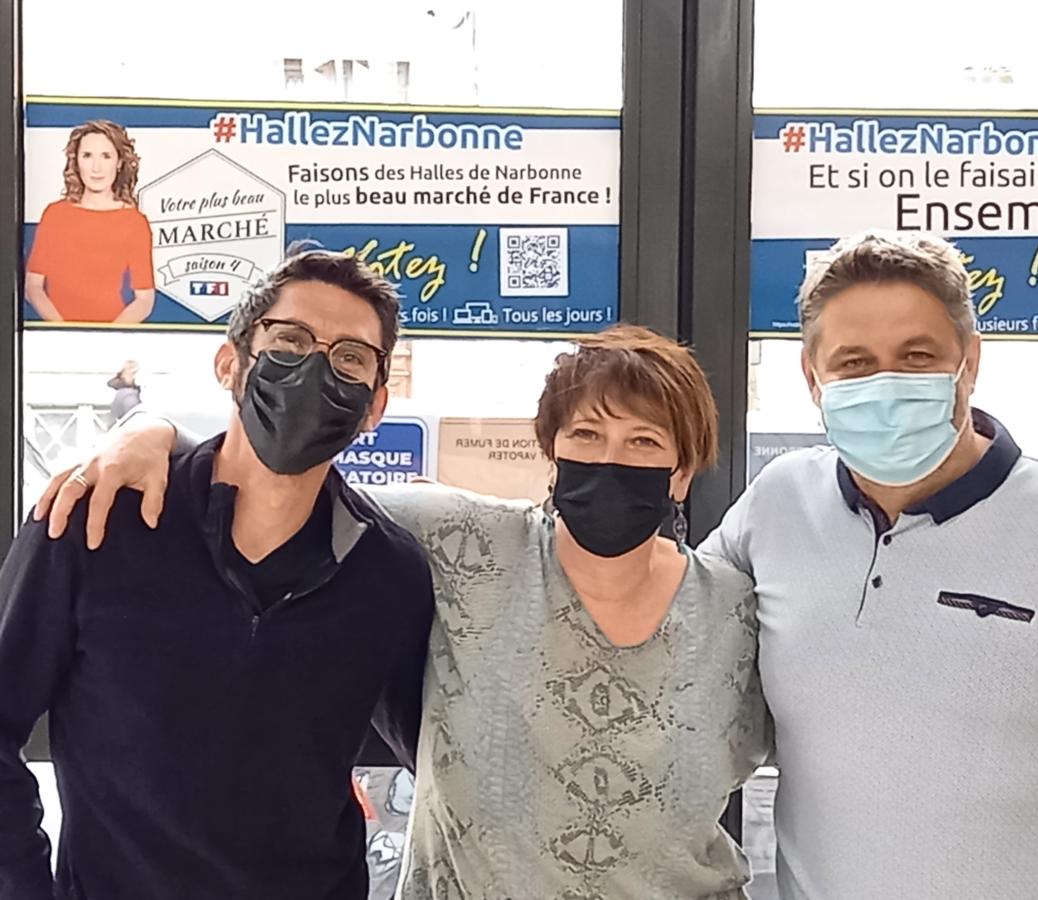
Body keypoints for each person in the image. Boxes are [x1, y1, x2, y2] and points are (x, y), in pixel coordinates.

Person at [36, 325, 770, 899]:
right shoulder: (466, 547)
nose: (611, 459)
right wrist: (157, 428)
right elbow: (284, 479)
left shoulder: (739, 611)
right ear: (550, 451)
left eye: (645, 442)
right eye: (587, 435)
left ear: (682, 471)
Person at [699, 231, 1038, 900]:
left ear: (969, 362)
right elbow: (664, 624)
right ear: (812, 378)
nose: (886, 383)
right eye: (854, 362)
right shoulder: (776, 504)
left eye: (916, 356)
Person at [0, 248, 435, 899]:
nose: (316, 369)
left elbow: (439, 753)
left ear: (374, 406)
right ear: (230, 363)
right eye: (289, 341)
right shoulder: (91, 524)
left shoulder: (389, 573)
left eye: (349, 357)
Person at [25, 119, 156, 324]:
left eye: (106, 156)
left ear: (119, 161)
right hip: (56, 334)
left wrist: (106, 336)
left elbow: (145, 299)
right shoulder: (55, 215)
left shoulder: (134, 222)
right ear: (75, 160)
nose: (96, 168)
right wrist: (63, 330)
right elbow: (33, 287)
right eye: (87, 156)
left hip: (113, 332)